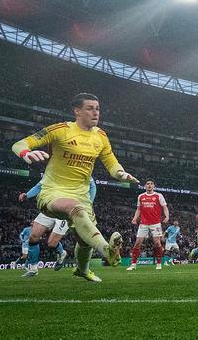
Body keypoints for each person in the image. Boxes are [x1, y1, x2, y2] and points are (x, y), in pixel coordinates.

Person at [11, 93, 138, 282]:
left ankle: (82, 270)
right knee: (73, 208)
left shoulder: (101, 136)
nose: (95, 112)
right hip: (53, 192)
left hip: (82, 195)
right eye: (90, 108)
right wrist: (25, 152)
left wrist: (121, 174)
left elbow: (111, 163)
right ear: (77, 111)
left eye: (98, 108)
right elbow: (20, 143)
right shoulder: (61, 130)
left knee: (84, 241)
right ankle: (107, 251)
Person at [19, 178, 97, 277]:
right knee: (33, 236)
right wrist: (27, 195)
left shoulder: (78, 170)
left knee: (52, 244)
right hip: (49, 205)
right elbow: (40, 185)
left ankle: (62, 253)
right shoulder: (52, 170)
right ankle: (33, 268)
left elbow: (92, 186)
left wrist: (89, 202)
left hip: (66, 210)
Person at [128, 180, 169, 270]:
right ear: (145, 186)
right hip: (143, 223)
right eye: (148, 184)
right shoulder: (141, 196)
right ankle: (133, 264)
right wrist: (135, 218)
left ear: (154, 186)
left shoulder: (158, 195)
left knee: (157, 242)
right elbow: (138, 209)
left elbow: (164, 207)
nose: (149, 185)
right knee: (138, 242)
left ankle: (159, 264)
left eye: (151, 184)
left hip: (156, 223)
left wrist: (167, 216)